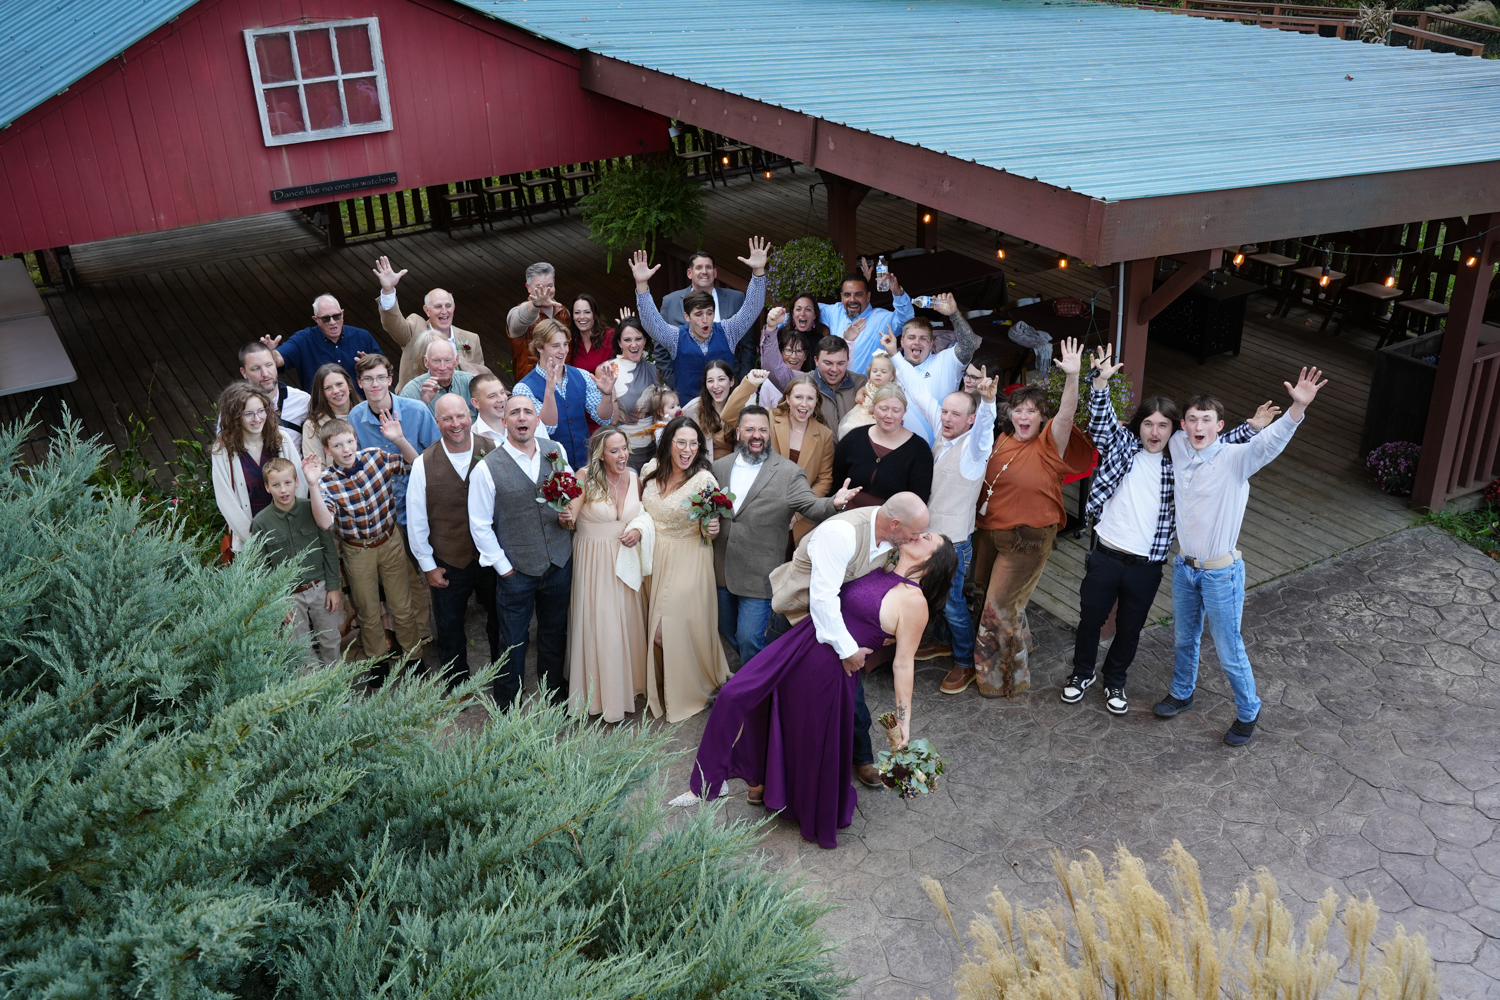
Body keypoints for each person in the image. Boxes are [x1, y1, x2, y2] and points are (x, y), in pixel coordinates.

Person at [684, 531, 955, 848]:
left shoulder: (914, 602)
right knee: (743, 696)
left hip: (829, 673)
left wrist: (903, 721)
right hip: (799, 645)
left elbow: (904, 664)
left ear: (931, 560)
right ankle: (731, 782)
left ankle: (801, 806)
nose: (917, 534)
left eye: (926, 538)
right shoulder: (877, 564)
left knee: (809, 740)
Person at [1066, 346, 1275, 715]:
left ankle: (1115, 682)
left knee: (1129, 630)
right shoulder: (1122, 446)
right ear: (1139, 425)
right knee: (1090, 621)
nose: (1154, 431)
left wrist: (1253, 427)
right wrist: (1098, 382)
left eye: (1163, 425)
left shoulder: (1178, 459)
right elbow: (1100, 422)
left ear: (1173, 429)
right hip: (1107, 555)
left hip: (1147, 564)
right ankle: (1081, 674)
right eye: (1148, 423)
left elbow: (1217, 444)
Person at [1154, 368, 1328, 746]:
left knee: (1228, 648)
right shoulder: (1180, 445)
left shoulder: (1237, 458)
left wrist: (1297, 408)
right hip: (1185, 569)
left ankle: (1248, 710)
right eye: (1193, 420)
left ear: (1220, 426)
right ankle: (1182, 693)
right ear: (1183, 425)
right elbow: (1151, 431)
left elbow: (1270, 442)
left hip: (1221, 574)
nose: (1199, 426)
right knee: (1184, 639)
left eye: (1207, 420)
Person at [766, 494, 931, 787]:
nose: (914, 539)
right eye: (913, 534)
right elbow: (822, 600)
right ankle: (767, 771)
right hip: (794, 620)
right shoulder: (841, 533)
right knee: (776, 694)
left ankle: (862, 757)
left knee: (851, 699)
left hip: (837, 625)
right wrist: (849, 650)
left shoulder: (894, 541)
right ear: (895, 524)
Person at [968, 338, 1094, 699]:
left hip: (1028, 539)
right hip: (991, 531)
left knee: (999, 608)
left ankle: (1002, 681)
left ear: (1042, 417)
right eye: (1018, 410)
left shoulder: (1050, 442)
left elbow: (1067, 415)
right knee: (983, 595)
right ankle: (1020, 646)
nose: (1023, 417)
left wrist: (1073, 377)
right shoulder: (1004, 438)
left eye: (1031, 412)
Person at [884, 333, 1000, 690]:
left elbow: (984, 430)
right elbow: (919, 393)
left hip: (955, 544)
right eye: (945, 412)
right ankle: (941, 642)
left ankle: (965, 662)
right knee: (930, 598)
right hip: (927, 538)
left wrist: (989, 403)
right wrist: (896, 356)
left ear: (970, 419)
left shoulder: (974, 450)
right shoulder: (942, 433)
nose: (947, 418)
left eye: (956, 414)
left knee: (952, 606)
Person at [712, 405, 858, 664]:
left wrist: (834, 503)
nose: (756, 435)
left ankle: (755, 690)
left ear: (769, 434)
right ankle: (758, 673)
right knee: (726, 631)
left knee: (749, 638)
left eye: (762, 430)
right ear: (737, 434)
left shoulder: (789, 473)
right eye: (749, 430)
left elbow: (811, 505)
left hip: (760, 573)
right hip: (721, 569)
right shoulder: (719, 468)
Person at [467, 393, 577, 708]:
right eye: (514, 413)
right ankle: (507, 705)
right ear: (504, 422)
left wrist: (567, 512)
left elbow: (569, 492)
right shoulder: (487, 469)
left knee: (554, 635)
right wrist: (504, 568)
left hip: (558, 562)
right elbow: (480, 525)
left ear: (536, 419)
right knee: (512, 642)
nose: (522, 418)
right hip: (516, 571)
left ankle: (554, 696)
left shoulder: (555, 452)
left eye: (528, 412)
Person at [303, 414, 421, 667]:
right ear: (326, 450)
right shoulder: (326, 483)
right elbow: (325, 522)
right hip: (358, 551)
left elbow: (416, 465)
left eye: (349, 442)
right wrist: (312, 486)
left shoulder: (375, 457)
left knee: (402, 606)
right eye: (337, 446)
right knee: (368, 612)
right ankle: (377, 663)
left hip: (390, 542)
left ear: (356, 440)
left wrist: (399, 439)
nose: (345, 450)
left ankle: (414, 658)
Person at [405, 394, 500, 692]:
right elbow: (417, 519)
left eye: (460, 416)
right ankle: (458, 684)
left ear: (470, 414)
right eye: (447, 418)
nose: (455, 424)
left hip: (490, 556)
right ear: (437, 423)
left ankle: (502, 677)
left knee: (500, 620)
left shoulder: (493, 449)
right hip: (448, 560)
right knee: (449, 628)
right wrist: (428, 566)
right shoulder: (423, 463)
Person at [348, 354, 441, 649]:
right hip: (384, 510)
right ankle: (416, 637)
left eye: (380, 378)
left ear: (390, 380)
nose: (375, 384)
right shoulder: (355, 417)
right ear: (360, 384)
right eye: (368, 380)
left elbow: (437, 457)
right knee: (406, 578)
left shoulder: (416, 411)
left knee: (430, 569)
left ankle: (431, 631)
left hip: (421, 504)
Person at [639, 415, 728, 722]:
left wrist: (712, 526)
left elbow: (710, 524)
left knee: (666, 631)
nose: (687, 449)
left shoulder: (704, 480)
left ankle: (694, 689)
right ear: (668, 443)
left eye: (693, 443)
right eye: (681, 442)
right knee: (653, 630)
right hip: (652, 559)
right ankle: (667, 684)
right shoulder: (650, 470)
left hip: (689, 557)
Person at [564, 427, 649, 722]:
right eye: (615, 451)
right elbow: (569, 520)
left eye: (624, 448)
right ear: (601, 455)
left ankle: (631, 687)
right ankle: (599, 696)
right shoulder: (584, 477)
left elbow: (642, 514)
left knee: (627, 623)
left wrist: (638, 530)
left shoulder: (635, 477)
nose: (622, 455)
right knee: (602, 625)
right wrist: (561, 511)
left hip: (626, 561)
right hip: (595, 563)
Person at [631, 238, 769, 403]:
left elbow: (751, 309)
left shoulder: (728, 331)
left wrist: (759, 271)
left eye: (709, 313)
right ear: (687, 317)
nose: (705, 320)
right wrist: (642, 284)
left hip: (727, 408)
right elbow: (651, 323)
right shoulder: (675, 337)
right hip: (689, 409)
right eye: (698, 314)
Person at [250, 456, 342, 668]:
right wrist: (276, 601)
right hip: (289, 597)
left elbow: (329, 550)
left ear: (297, 482)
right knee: (299, 647)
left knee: (330, 640)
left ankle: (337, 691)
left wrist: (334, 587)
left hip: (320, 589)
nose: (283, 490)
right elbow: (261, 568)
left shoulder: (312, 509)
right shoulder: (260, 523)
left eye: (288, 483)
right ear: (267, 488)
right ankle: (314, 694)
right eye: (276, 485)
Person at [724, 370, 834, 546]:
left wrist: (798, 513)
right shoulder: (768, 418)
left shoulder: (824, 434)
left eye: (810, 399)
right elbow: (729, 415)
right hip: (758, 510)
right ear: (788, 399)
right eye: (798, 397)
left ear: (816, 402)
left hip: (797, 522)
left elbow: (824, 480)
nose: (804, 404)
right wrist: (750, 383)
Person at [211, 381, 306, 557]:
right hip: (251, 538)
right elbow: (226, 501)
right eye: (248, 414)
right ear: (234, 417)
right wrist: (254, 542)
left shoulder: (282, 439)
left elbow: (299, 484)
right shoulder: (222, 450)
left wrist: (291, 525)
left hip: (289, 529)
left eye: (261, 411)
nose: (257, 419)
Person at [513, 318, 617, 469]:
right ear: (540, 347)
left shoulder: (583, 375)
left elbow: (603, 419)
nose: (563, 351)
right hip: (549, 470)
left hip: (586, 466)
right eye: (555, 346)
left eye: (565, 344)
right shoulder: (523, 388)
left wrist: (607, 395)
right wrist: (549, 392)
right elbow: (546, 428)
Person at [373, 256, 487, 390]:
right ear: (427, 310)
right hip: (418, 401)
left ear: (454, 307)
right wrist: (388, 291)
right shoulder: (415, 328)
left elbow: (481, 380)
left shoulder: (471, 339)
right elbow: (393, 325)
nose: (444, 311)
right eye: (438, 306)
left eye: (448, 306)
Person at [891, 296, 983, 442]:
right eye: (911, 338)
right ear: (902, 341)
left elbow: (969, 346)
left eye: (923, 339)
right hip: (898, 451)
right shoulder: (890, 366)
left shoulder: (944, 361)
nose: (917, 343)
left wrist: (954, 314)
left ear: (931, 342)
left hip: (939, 453)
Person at [833, 384, 934, 509]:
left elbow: (919, 499)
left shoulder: (919, 450)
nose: (889, 415)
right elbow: (835, 483)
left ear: (904, 411)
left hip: (891, 522)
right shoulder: (854, 438)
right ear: (873, 408)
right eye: (883, 408)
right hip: (846, 517)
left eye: (896, 410)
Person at [657, 251, 750, 381]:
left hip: (728, 384)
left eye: (708, 267)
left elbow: (748, 345)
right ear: (690, 273)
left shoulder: (736, 298)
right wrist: (674, 382)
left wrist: (741, 382)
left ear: (715, 272)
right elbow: (660, 349)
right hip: (686, 385)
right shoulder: (670, 302)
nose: (704, 271)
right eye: (699, 267)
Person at [258, 294, 382, 389]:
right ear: (316, 319)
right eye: (326, 319)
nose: (333, 322)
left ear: (342, 314)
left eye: (336, 316)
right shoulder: (303, 339)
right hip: (321, 412)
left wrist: (372, 365)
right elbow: (279, 358)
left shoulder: (362, 336)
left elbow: (385, 368)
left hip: (360, 407)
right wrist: (267, 353)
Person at [814, 271, 914, 375]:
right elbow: (808, 307)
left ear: (868, 296)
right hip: (836, 387)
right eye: (847, 295)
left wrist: (898, 293)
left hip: (869, 389)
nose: (852, 300)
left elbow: (907, 320)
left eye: (858, 294)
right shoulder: (835, 311)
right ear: (842, 296)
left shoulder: (882, 318)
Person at [763, 331, 866, 431]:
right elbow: (774, 371)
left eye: (840, 363)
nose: (834, 369)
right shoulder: (804, 382)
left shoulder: (860, 382)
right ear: (816, 361)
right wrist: (771, 330)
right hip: (818, 448)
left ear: (848, 361)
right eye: (828, 363)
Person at [609, 317, 663, 471]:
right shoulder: (608, 369)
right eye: (627, 339)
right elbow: (609, 419)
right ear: (619, 343)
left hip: (654, 451)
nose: (634, 344)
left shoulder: (653, 369)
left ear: (645, 341)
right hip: (625, 451)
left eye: (638, 339)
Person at [237, 342, 311, 450]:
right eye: (256, 368)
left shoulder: (303, 400)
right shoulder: (234, 408)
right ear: (244, 372)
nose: (265, 373)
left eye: (269, 365)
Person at [506, 262, 570, 382]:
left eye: (550, 285)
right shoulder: (517, 312)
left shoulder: (563, 311)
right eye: (539, 287)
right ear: (528, 287)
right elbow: (519, 319)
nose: (545, 292)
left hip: (564, 381)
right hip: (532, 386)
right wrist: (536, 304)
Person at [400, 338, 476, 417]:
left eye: (447, 360)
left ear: (456, 361)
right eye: (436, 361)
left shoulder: (470, 382)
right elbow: (406, 425)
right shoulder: (411, 391)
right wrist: (422, 404)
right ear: (426, 362)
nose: (442, 367)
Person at [682, 359, 739, 461]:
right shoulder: (693, 409)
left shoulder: (741, 408)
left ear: (731, 381)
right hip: (704, 471)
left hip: (735, 470)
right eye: (710, 381)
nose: (716, 386)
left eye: (721, 379)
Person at [302, 363, 356, 468]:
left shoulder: (366, 413)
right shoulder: (313, 426)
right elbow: (317, 469)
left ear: (348, 385)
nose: (336, 391)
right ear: (322, 394)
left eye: (339, 384)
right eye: (328, 388)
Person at [836, 350, 898, 441]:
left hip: (877, 418)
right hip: (861, 414)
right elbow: (863, 390)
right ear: (869, 373)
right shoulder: (869, 385)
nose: (878, 374)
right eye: (874, 371)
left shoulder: (889, 390)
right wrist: (859, 396)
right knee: (850, 429)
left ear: (891, 376)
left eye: (883, 372)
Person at [568, 295, 619, 388]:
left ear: (595, 315)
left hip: (607, 394)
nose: (582, 317)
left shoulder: (610, 335)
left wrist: (626, 329)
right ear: (572, 316)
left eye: (587, 312)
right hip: (579, 397)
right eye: (577, 312)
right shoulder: (569, 341)